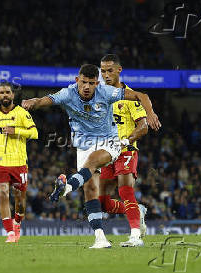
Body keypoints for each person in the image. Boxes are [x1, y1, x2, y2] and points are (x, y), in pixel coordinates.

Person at [22, 64, 161, 248]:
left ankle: (66, 189)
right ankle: (100, 238)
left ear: (97, 83)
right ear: (77, 80)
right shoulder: (68, 93)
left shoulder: (107, 92)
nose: (87, 87)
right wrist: (35, 101)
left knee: (94, 164)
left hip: (109, 142)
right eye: (84, 82)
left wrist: (150, 113)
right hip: (83, 145)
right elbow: (46, 100)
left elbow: (141, 96)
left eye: (91, 83)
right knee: (90, 192)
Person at [99, 54, 148, 247]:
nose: (106, 74)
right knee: (102, 202)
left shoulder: (130, 96)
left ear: (119, 70)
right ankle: (138, 210)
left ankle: (135, 236)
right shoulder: (100, 96)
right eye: (102, 71)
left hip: (126, 151)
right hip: (106, 154)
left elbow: (143, 127)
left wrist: (125, 141)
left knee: (125, 190)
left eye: (110, 70)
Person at [0, 82, 38, 243]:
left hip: (19, 164)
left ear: (12, 95)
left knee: (20, 201)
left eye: (7, 92)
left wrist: (15, 131)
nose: (4, 95)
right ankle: (10, 233)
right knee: (3, 195)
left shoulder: (22, 113)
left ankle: (17, 222)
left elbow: (34, 133)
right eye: (1, 93)